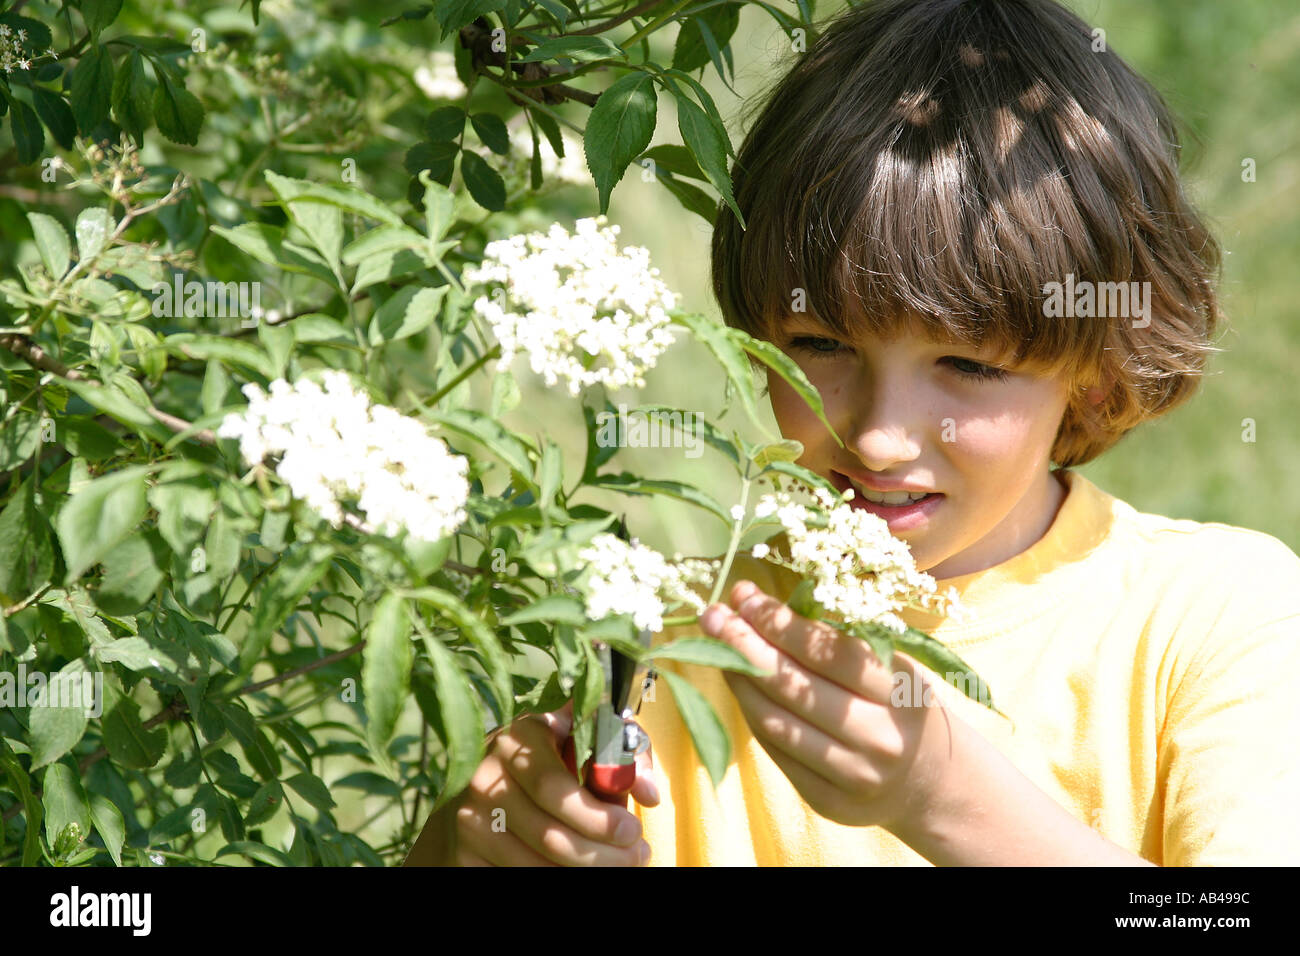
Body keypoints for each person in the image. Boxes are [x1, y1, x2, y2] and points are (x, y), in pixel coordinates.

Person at [404, 0, 1300, 866]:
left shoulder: (1219, 616)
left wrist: (940, 797)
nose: (878, 436)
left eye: (970, 365)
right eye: (822, 345)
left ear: (1096, 374)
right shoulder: (671, 633)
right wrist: (471, 841)